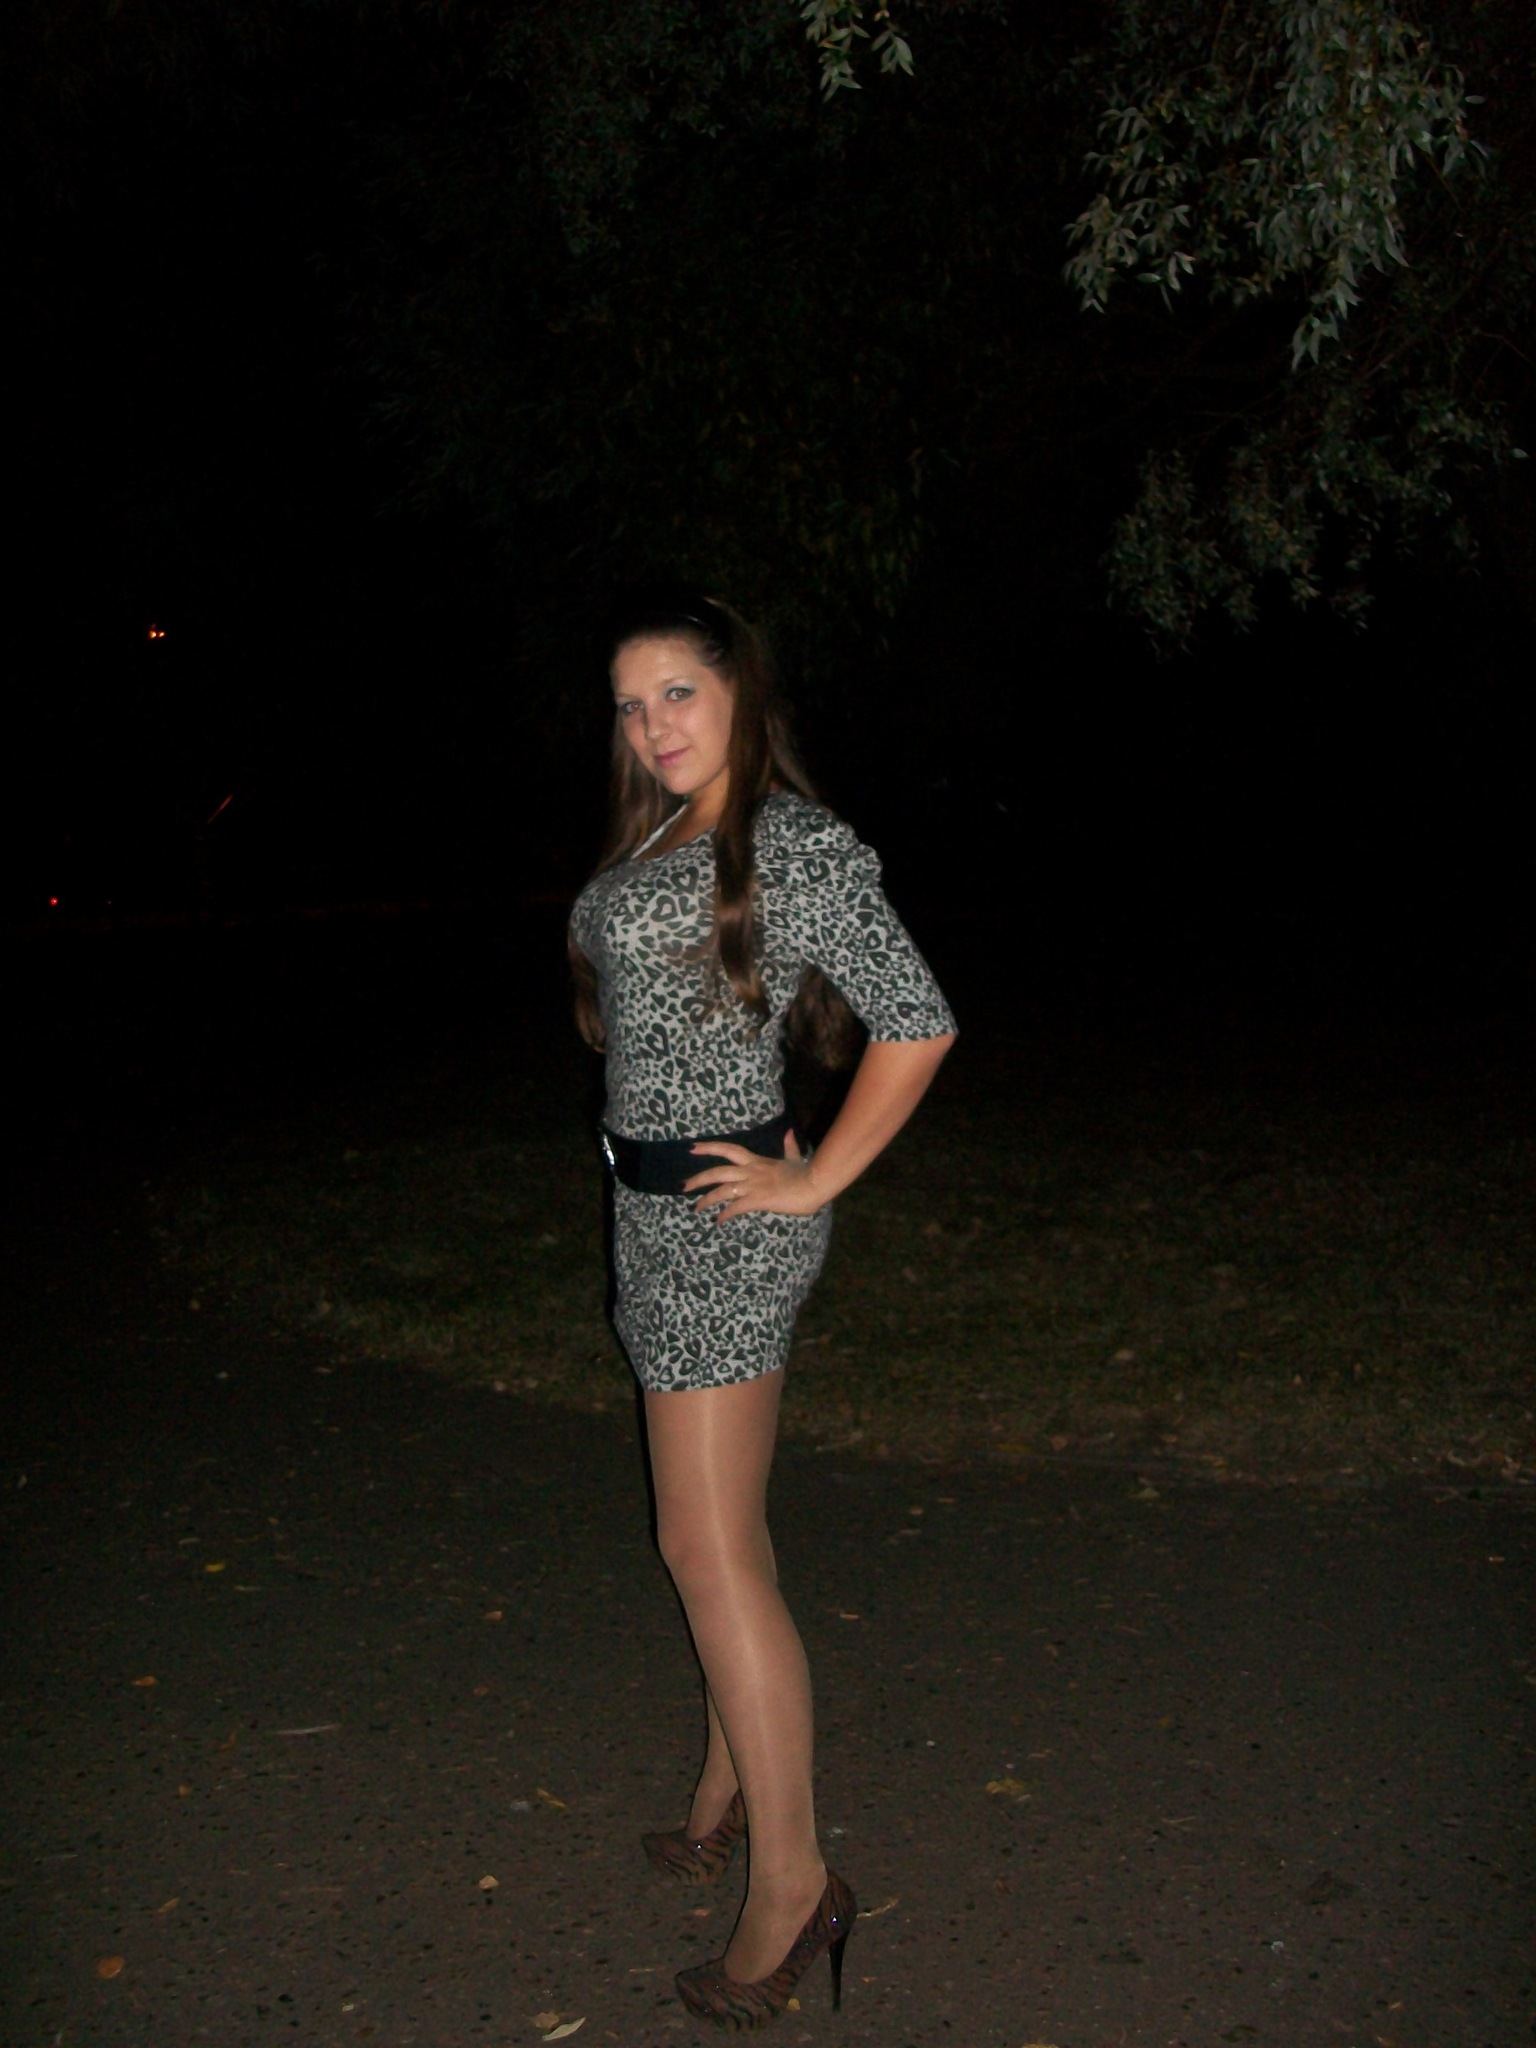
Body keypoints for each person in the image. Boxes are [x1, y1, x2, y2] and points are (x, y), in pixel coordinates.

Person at [567, 588, 955, 2031]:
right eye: (629, 703)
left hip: (725, 1227)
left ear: (741, 691)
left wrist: (816, 1178)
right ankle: (725, 1788)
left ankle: (794, 1884)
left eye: (677, 690)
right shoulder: (661, 837)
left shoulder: (787, 842)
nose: (651, 723)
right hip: (653, 1216)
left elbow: (919, 1020)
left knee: (701, 1544)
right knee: (726, 1530)